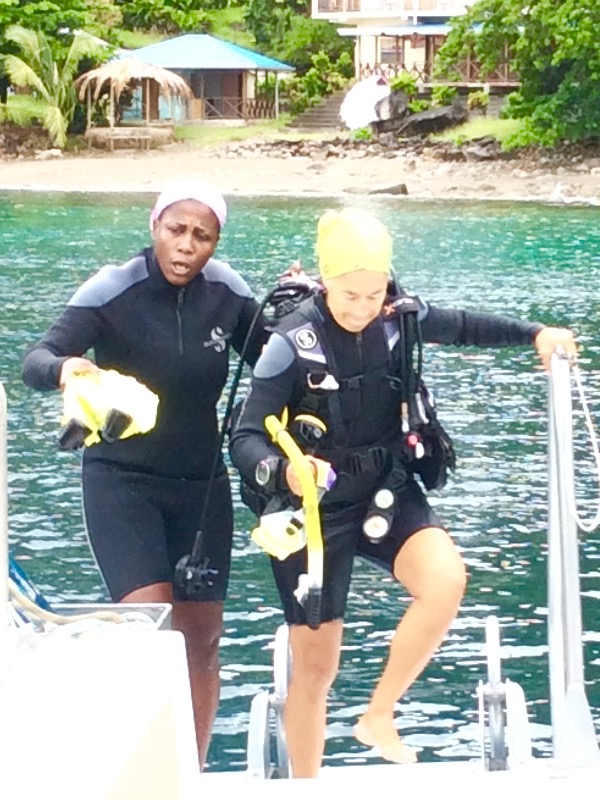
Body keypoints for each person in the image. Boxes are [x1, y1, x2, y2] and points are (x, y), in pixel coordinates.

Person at [229, 207, 577, 778]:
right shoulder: (291, 342)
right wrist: (283, 472)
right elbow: (244, 436)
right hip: (312, 510)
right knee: (315, 669)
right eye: (350, 295)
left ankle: (379, 714)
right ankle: (305, 786)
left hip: (385, 487)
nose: (364, 308)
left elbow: (465, 326)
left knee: (445, 581)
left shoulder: (397, 318)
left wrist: (536, 334)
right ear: (325, 280)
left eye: (374, 293)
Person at [21, 179, 267, 770]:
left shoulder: (227, 292)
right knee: (152, 634)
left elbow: (276, 355)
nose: (187, 245)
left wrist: (301, 307)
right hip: (121, 481)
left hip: (201, 483)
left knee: (202, 641)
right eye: (176, 230)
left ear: (215, 242)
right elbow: (36, 358)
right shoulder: (114, 287)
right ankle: (152, 774)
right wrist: (67, 369)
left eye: (202, 235)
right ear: (155, 227)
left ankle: (194, 772)